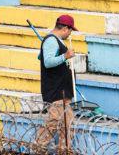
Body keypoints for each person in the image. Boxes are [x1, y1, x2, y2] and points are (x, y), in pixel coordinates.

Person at [34, 14, 78, 155]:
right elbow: (48, 62)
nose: (70, 33)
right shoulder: (51, 41)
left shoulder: (56, 41)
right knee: (53, 122)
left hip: (63, 90)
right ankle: (38, 148)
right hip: (56, 91)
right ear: (65, 28)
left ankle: (64, 150)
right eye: (70, 30)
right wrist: (65, 56)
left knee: (67, 123)